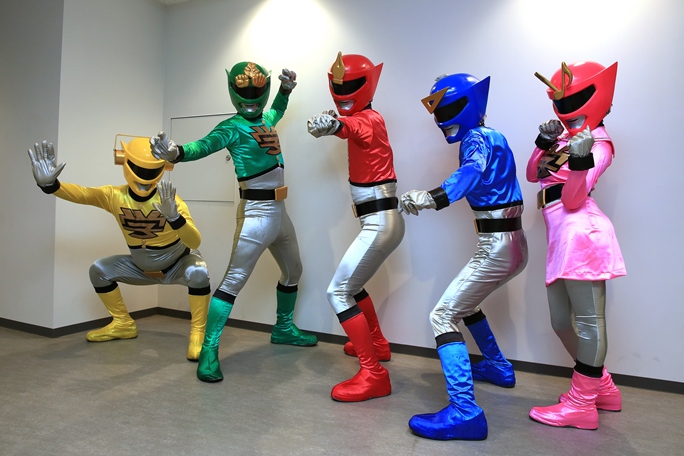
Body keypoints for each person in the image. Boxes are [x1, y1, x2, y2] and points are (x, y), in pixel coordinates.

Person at [150, 62, 317, 383]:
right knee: (232, 282)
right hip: (255, 213)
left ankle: (283, 328)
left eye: (257, 91)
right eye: (244, 92)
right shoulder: (231, 127)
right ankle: (209, 349)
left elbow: (277, 110)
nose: (251, 98)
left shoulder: (267, 118)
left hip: (279, 212)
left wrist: (285, 90)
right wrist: (177, 153)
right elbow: (203, 145)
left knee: (294, 271)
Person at [398, 73, 528, 440]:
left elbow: (471, 172)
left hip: (499, 245)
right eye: (439, 112)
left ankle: (465, 411)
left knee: (442, 315)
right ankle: (498, 366)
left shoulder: (477, 139)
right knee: (466, 305)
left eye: (449, 108)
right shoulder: (491, 135)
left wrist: (432, 197)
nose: (443, 119)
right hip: (508, 242)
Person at [28, 137, 210, 361]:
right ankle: (123, 323)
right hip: (140, 267)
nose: (144, 178)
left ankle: (199, 333)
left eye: (151, 170)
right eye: (139, 169)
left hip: (177, 265)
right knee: (99, 270)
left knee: (199, 272)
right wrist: (50, 186)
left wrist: (175, 218)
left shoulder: (173, 202)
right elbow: (82, 194)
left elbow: (194, 242)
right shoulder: (114, 196)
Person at [527, 61, 625, 430]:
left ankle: (582, 404)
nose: (567, 107)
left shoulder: (599, 144)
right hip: (562, 234)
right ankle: (604, 389)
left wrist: (581, 160)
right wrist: (544, 142)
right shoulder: (568, 139)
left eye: (575, 98)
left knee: (587, 322)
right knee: (560, 322)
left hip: (582, 232)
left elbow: (572, 199)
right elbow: (533, 174)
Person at [307, 52, 405, 402]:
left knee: (338, 292)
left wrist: (334, 125)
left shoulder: (370, 119)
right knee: (353, 285)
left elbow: (352, 127)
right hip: (377, 220)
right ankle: (377, 344)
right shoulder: (364, 118)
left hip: (379, 222)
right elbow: (349, 127)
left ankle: (373, 373)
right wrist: (335, 123)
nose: (344, 92)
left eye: (351, 85)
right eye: (339, 86)